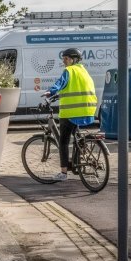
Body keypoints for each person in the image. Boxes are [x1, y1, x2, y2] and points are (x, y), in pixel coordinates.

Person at [43, 47, 98, 181]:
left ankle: (63, 173)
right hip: (88, 110)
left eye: (66, 59)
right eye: (63, 59)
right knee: (76, 136)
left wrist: (50, 92)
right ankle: (78, 159)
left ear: (74, 60)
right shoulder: (84, 72)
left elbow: (60, 83)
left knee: (63, 141)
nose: (64, 61)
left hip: (71, 112)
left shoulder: (69, 71)